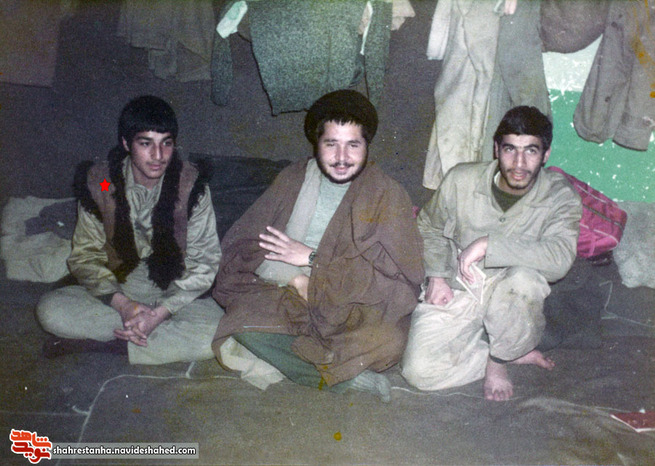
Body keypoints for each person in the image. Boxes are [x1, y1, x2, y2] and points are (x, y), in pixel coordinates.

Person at [211, 90, 424, 402]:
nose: (342, 157)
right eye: (331, 144)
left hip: (351, 304)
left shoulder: (387, 194)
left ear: (367, 146)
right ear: (316, 144)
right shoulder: (293, 179)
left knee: (390, 340)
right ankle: (342, 377)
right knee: (241, 321)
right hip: (286, 290)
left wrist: (314, 260)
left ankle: (301, 361)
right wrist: (296, 279)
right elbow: (250, 243)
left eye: (353, 145)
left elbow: (400, 276)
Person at [402, 106, 582, 401]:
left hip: (510, 293)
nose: (519, 163)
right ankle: (507, 351)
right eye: (510, 149)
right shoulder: (461, 180)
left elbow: (560, 258)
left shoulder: (560, 195)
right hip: (461, 284)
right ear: (496, 149)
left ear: (546, 155)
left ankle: (498, 363)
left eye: (531, 151)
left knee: (524, 281)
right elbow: (428, 226)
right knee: (419, 373)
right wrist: (436, 276)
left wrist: (489, 245)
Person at [37, 95, 223, 364]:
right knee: (50, 311)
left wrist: (161, 312)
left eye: (166, 143)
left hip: (175, 286)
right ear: (126, 143)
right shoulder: (101, 183)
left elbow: (204, 261)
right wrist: (124, 306)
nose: (158, 156)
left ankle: (105, 346)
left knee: (215, 334)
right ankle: (147, 336)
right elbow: (86, 256)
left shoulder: (191, 187)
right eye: (145, 143)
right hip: (119, 284)